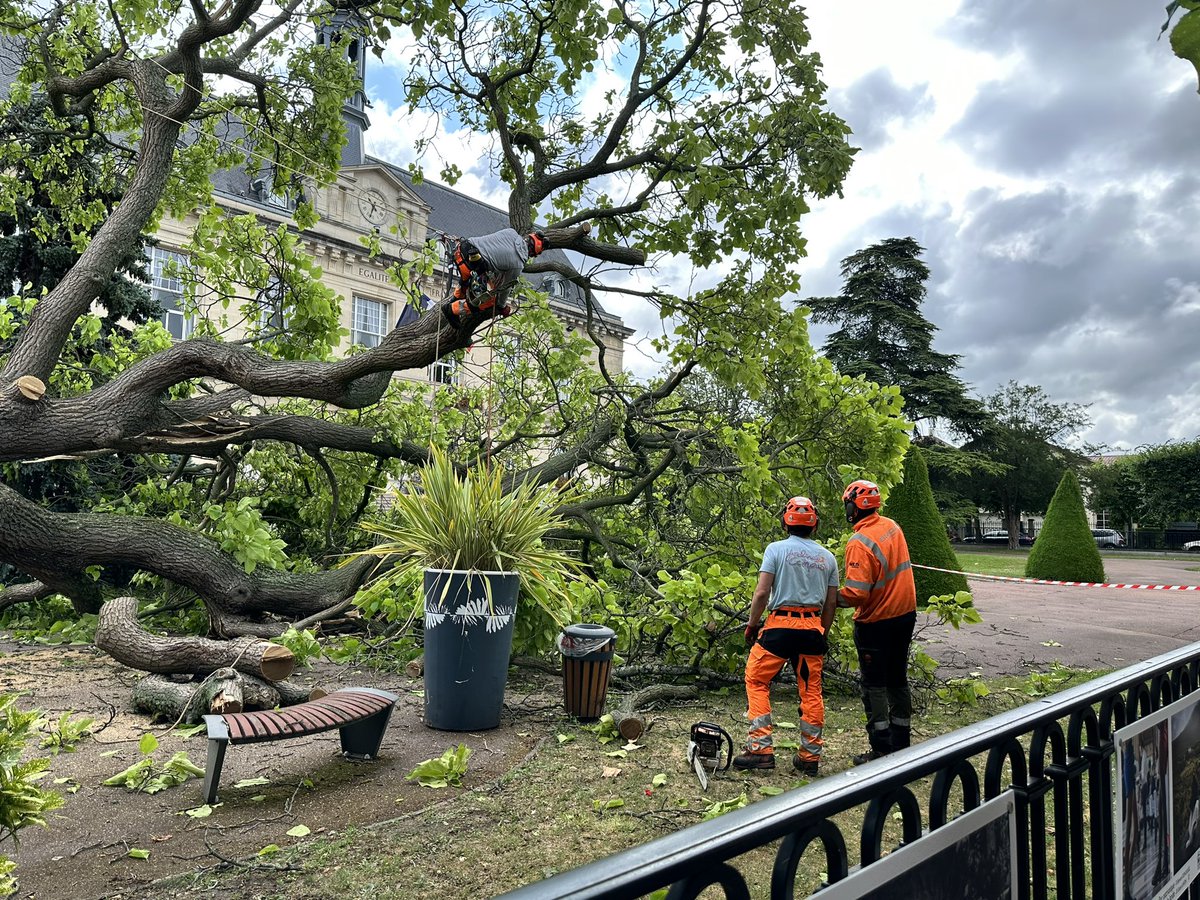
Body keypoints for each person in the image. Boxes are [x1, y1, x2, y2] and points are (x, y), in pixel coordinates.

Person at [733, 496, 839, 776]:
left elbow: (761, 592)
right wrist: (821, 632)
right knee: (810, 691)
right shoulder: (827, 557)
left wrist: (752, 624)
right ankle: (810, 756)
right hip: (812, 629)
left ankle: (760, 748)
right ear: (814, 525)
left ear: (785, 522)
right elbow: (830, 604)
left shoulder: (775, 550)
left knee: (756, 680)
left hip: (779, 627)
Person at [838, 478, 918, 765]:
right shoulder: (892, 527)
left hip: (877, 622)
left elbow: (857, 593)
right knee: (898, 678)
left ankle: (881, 746)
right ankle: (902, 740)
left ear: (854, 506)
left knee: (874, 684)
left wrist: (832, 598)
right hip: (905, 614)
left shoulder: (859, 543)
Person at [443, 228, 546, 326]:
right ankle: (452, 309)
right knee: (488, 301)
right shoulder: (517, 265)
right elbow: (505, 287)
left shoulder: (511, 232)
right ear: (532, 253)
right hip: (472, 266)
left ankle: (455, 298)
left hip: (462, 250)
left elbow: (495, 254)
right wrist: (501, 306)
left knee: (467, 279)